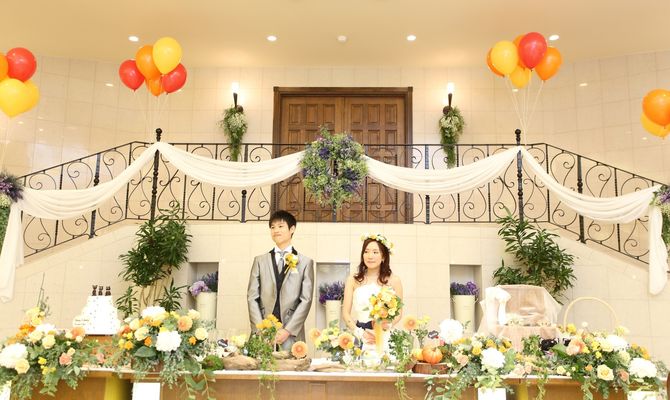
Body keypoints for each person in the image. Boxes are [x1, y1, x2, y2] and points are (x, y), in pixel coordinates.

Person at [247, 210, 315, 350]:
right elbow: (252, 297)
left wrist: (288, 330)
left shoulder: (305, 262)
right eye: (272, 227)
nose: (276, 230)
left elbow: (306, 300)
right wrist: (260, 329)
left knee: (290, 363)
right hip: (263, 333)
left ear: (292, 229)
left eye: (280, 226)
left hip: (291, 335)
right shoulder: (260, 261)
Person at [341, 233, 403, 353]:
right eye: (366, 252)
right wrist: (360, 333)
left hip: (384, 335)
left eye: (375, 252)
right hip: (361, 335)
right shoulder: (352, 280)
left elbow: (399, 313)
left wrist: (384, 328)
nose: (370, 256)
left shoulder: (394, 280)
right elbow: (345, 313)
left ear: (383, 256)